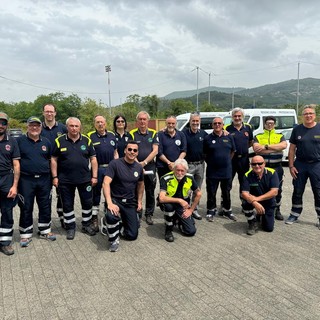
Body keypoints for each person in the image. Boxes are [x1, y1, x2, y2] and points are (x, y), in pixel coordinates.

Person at [51, 117, 98, 240]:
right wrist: (55, 177)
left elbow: (93, 159)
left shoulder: (87, 141)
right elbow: (54, 159)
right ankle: (70, 227)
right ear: (67, 127)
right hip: (65, 180)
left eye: (76, 126)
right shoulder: (59, 141)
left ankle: (86, 224)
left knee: (87, 203)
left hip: (85, 179)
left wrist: (94, 176)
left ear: (80, 127)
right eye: (71, 126)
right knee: (67, 204)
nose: (74, 128)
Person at [17, 116, 56, 247]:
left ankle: (45, 230)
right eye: (32, 125)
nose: (35, 128)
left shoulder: (46, 142)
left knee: (45, 205)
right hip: (26, 180)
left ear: (40, 127)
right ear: (27, 126)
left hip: (45, 179)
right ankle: (25, 234)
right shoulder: (19, 141)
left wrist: (54, 177)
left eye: (37, 125)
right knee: (26, 206)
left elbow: (52, 160)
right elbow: (15, 162)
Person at [102, 141, 144, 252]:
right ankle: (113, 239)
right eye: (129, 149)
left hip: (130, 202)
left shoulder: (139, 168)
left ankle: (120, 224)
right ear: (125, 150)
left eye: (135, 150)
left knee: (132, 235)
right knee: (111, 216)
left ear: (137, 153)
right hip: (116, 200)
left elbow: (141, 185)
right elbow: (106, 183)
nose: (132, 152)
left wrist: (139, 201)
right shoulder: (115, 164)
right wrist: (110, 203)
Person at [286, 105, 320, 226]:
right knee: (298, 190)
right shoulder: (297, 130)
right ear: (302, 116)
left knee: (318, 191)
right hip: (300, 164)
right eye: (306, 114)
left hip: (317, 165)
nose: (308, 115)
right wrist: (291, 166)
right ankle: (294, 214)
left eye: (310, 113)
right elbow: (291, 150)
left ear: (314, 115)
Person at [87, 115, 118, 232]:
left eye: (102, 122)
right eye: (98, 122)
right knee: (95, 195)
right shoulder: (90, 136)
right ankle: (94, 218)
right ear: (95, 124)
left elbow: (115, 153)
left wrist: (117, 167)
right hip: (97, 170)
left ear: (106, 123)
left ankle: (109, 215)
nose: (100, 124)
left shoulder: (112, 135)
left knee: (111, 193)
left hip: (111, 169)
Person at [253, 116, 287, 220]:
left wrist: (265, 147)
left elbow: (283, 146)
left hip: (276, 168)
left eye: (272, 123)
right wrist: (275, 148)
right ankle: (260, 210)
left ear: (274, 124)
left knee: (277, 190)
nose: (270, 124)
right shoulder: (258, 136)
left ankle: (277, 210)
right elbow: (256, 149)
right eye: (268, 123)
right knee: (260, 189)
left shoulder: (280, 136)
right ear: (264, 124)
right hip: (262, 168)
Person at [158, 159, 201, 242]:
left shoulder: (190, 177)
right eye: (178, 170)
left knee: (191, 231)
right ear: (174, 169)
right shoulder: (165, 178)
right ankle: (168, 230)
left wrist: (191, 210)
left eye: (182, 171)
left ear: (186, 171)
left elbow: (198, 194)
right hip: (169, 203)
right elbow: (161, 198)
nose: (180, 173)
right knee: (169, 208)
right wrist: (179, 200)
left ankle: (177, 220)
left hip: (182, 206)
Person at [203, 117, 236, 222]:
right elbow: (204, 154)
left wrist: (225, 161)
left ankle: (227, 211)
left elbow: (233, 151)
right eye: (215, 123)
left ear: (223, 125)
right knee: (211, 192)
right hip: (212, 171)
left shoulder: (229, 137)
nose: (217, 125)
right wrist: (213, 162)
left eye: (219, 123)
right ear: (212, 125)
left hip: (226, 170)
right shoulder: (207, 138)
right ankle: (211, 211)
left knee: (226, 192)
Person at [41, 103, 67, 228]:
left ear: (55, 113)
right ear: (43, 113)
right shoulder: (38, 128)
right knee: (45, 197)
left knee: (61, 195)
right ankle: (45, 223)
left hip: (61, 168)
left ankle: (63, 219)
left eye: (51, 111)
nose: (49, 114)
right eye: (47, 111)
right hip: (44, 168)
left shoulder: (62, 128)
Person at [129, 111, 158, 225]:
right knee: (137, 191)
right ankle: (137, 213)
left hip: (150, 165)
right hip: (135, 165)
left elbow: (155, 150)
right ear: (137, 121)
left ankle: (149, 214)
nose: (142, 121)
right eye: (140, 119)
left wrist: (144, 163)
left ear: (148, 121)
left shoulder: (153, 133)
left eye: (144, 119)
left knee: (150, 191)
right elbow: (130, 150)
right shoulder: (132, 133)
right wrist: (138, 164)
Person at [241, 155, 279, 235]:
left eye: (259, 163)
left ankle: (261, 215)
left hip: (268, 201)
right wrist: (254, 202)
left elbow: (274, 192)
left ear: (264, 163)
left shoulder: (272, 173)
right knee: (245, 202)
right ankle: (252, 222)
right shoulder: (247, 175)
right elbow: (244, 193)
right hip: (253, 201)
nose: (257, 166)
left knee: (268, 228)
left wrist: (257, 199)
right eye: (254, 164)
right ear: (251, 165)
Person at [0, 112, 20, 256]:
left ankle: (5, 243)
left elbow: (16, 165)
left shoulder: (12, 141)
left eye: (4, 123)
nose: (1, 125)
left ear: (7, 124)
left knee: (7, 212)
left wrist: (15, 186)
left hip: (6, 179)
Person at [183, 112, 208, 220]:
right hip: (188, 165)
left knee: (197, 189)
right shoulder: (183, 133)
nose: (195, 123)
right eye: (193, 121)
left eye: (197, 121)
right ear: (190, 121)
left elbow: (215, 137)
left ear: (200, 122)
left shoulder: (204, 134)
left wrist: (224, 131)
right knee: (186, 188)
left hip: (200, 165)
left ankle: (194, 209)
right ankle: (185, 208)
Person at [224, 107, 253, 201]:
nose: (237, 118)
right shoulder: (227, 128)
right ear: (232, 117)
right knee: (227, 183)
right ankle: (225, 204)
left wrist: (242, 149)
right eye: (235, 116)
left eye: (239, 116)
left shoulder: (248, 127)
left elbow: (250, 142)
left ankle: (244, 204)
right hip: (231, 160)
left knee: (244, 183)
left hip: (244, 160)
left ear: (243, 117)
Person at [156, 115, 187, 180]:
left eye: (173, 123)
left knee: (177, 188)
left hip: (178, 167)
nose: (171, 125)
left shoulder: (181, 135)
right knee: (164, 188)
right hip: (163, 167)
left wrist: (176, 163)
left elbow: (184, 151)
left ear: (176, 124)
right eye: (169, 123)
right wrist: (169, 163)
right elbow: (159, 152)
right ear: (166, 123)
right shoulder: (160, 134)